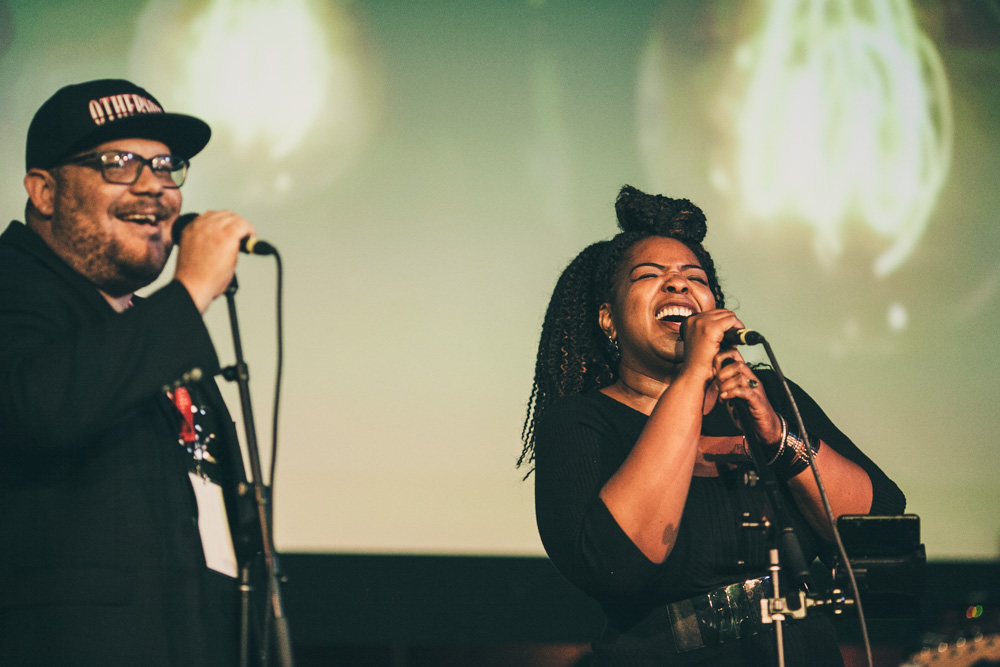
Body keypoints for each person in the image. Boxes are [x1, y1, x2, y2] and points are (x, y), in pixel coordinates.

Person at [518, 185, 906, 666]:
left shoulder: (768, 393)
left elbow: (877, 523)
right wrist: (693, 374)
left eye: (694, 278)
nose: (678, 285)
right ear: (608, 320)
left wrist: (778, 438)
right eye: (650, 275)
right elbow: (617, 566)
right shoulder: (580, 420)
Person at [0, 79, 260, 666]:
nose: (153, 186)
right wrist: (189, 291)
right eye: (118, 163)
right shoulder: (12, 285)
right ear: (44, 191)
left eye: (166, 166)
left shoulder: (149, 325)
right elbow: (38, 406)